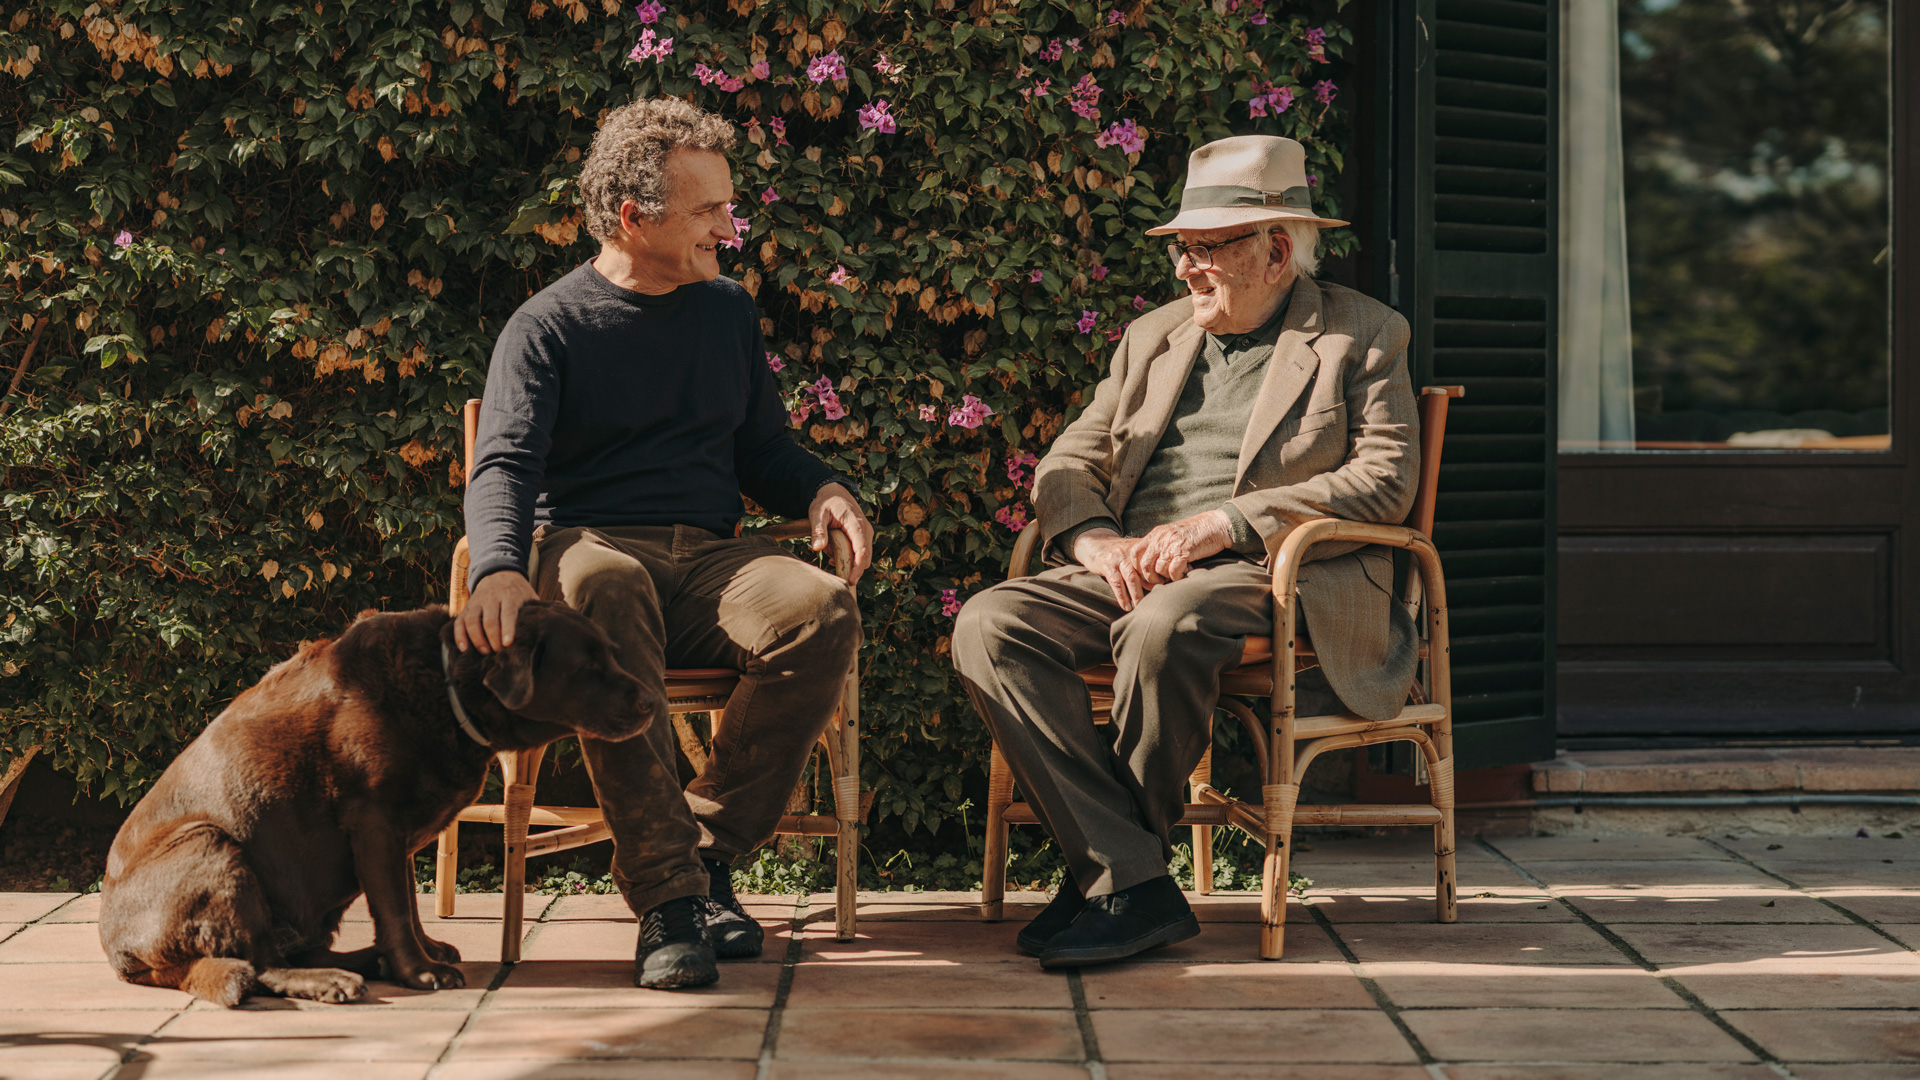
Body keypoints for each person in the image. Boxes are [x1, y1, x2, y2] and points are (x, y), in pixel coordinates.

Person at [953, 135, 1421, 968]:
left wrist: (1227, 523)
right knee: (988, 625)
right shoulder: (1153, 337)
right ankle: (1127, 875)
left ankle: (1113, 879)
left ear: (1275, 251)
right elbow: (1069, 461)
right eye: (1181, 248)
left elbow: (1384, 480)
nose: (1183, 269)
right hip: (1134, 565)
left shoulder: (1363, 334)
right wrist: (1096, 541)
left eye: (1205, 248)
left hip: (1272, 571)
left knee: (1164, 623)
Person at [454, 98, 874, 990]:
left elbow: (762, 450)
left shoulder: (726, 313)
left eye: (728, 205)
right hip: (590, 549)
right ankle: (670, 901)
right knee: (608, 586)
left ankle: (701, 856)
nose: (729, 227)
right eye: (708, 210)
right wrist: (496, 568)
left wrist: (823, 489)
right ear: (632, 218)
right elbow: (505, 462)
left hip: (711, 561)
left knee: (820, 607)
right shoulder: (547, 327)